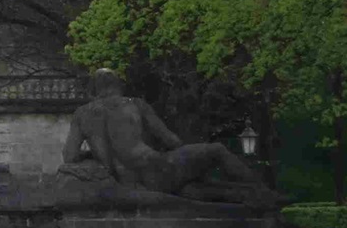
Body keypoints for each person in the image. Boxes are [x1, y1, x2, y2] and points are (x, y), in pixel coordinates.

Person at [58, 70, 277, 208]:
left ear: (96, 89)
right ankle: (262, 191)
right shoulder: (135, 104)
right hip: (157, 168)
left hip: (132, 182)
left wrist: (92, 153)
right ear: (118, 85)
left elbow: (69, 156)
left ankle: (245, 196)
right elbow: (172, 141)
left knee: (191, 190)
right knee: (217, 150)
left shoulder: (81, 114)